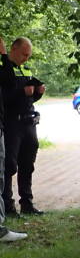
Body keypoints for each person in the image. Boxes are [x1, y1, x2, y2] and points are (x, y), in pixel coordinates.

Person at [1, 36, 45, 217]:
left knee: (28, 164)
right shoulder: (4, 70)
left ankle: (27, 202)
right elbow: (4, 99)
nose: (26, 58)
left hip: (29, 123)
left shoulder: (26, 70)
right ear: (13, 50)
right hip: (12, 124)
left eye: (29, 56)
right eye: (24, 54)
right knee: (9, 165)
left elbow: (28, 99)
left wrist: (38, 93)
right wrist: (21, 91)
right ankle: (8, 206)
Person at [0, 36, 27, 241]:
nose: (26, 58)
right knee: (5, 169)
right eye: (24, 54)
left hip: (15, 122)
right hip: (6, 123)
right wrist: (2, 55)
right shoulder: (5, 64)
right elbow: (8, 85)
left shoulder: (19, 68)